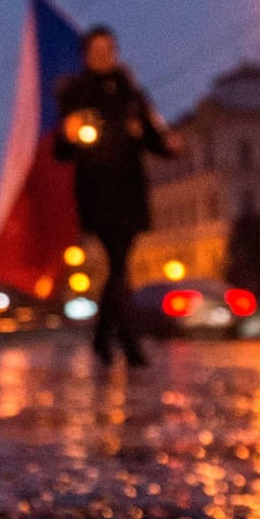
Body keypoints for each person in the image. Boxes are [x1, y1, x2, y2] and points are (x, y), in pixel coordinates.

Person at [52, 25, 175, 366]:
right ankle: (130, 343)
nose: (103, 56)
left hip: (130, 186)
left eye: (108, 49)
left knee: (120, 263)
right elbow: (61, 150)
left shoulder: (131, 92)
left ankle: (102, 338)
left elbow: (152, 134)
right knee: (118, 260)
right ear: (86, 55)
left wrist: (168, 145)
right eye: (96, 50)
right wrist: (68, 134)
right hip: (96, 188)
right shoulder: (76, 93)